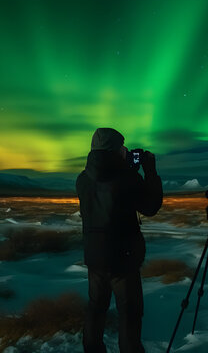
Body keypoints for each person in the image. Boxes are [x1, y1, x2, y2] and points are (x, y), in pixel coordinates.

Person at [76, 127, 163, 353]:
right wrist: (149, 171)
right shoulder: (127, 178)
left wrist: (127, 168)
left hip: (94, 256)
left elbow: (106, 194)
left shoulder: (82, 179)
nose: (126, 151)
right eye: (122, 147)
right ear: (114, 149)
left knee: (96, 307)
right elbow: (151, 206)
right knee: (130, 313)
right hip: (122, 259)